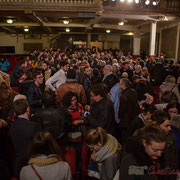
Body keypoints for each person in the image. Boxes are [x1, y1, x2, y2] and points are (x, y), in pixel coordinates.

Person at [10, 98, 40, 178]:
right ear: (27, 109)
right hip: (33, 165)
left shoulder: (12, 126)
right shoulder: (34, 126)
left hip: (18, 165)